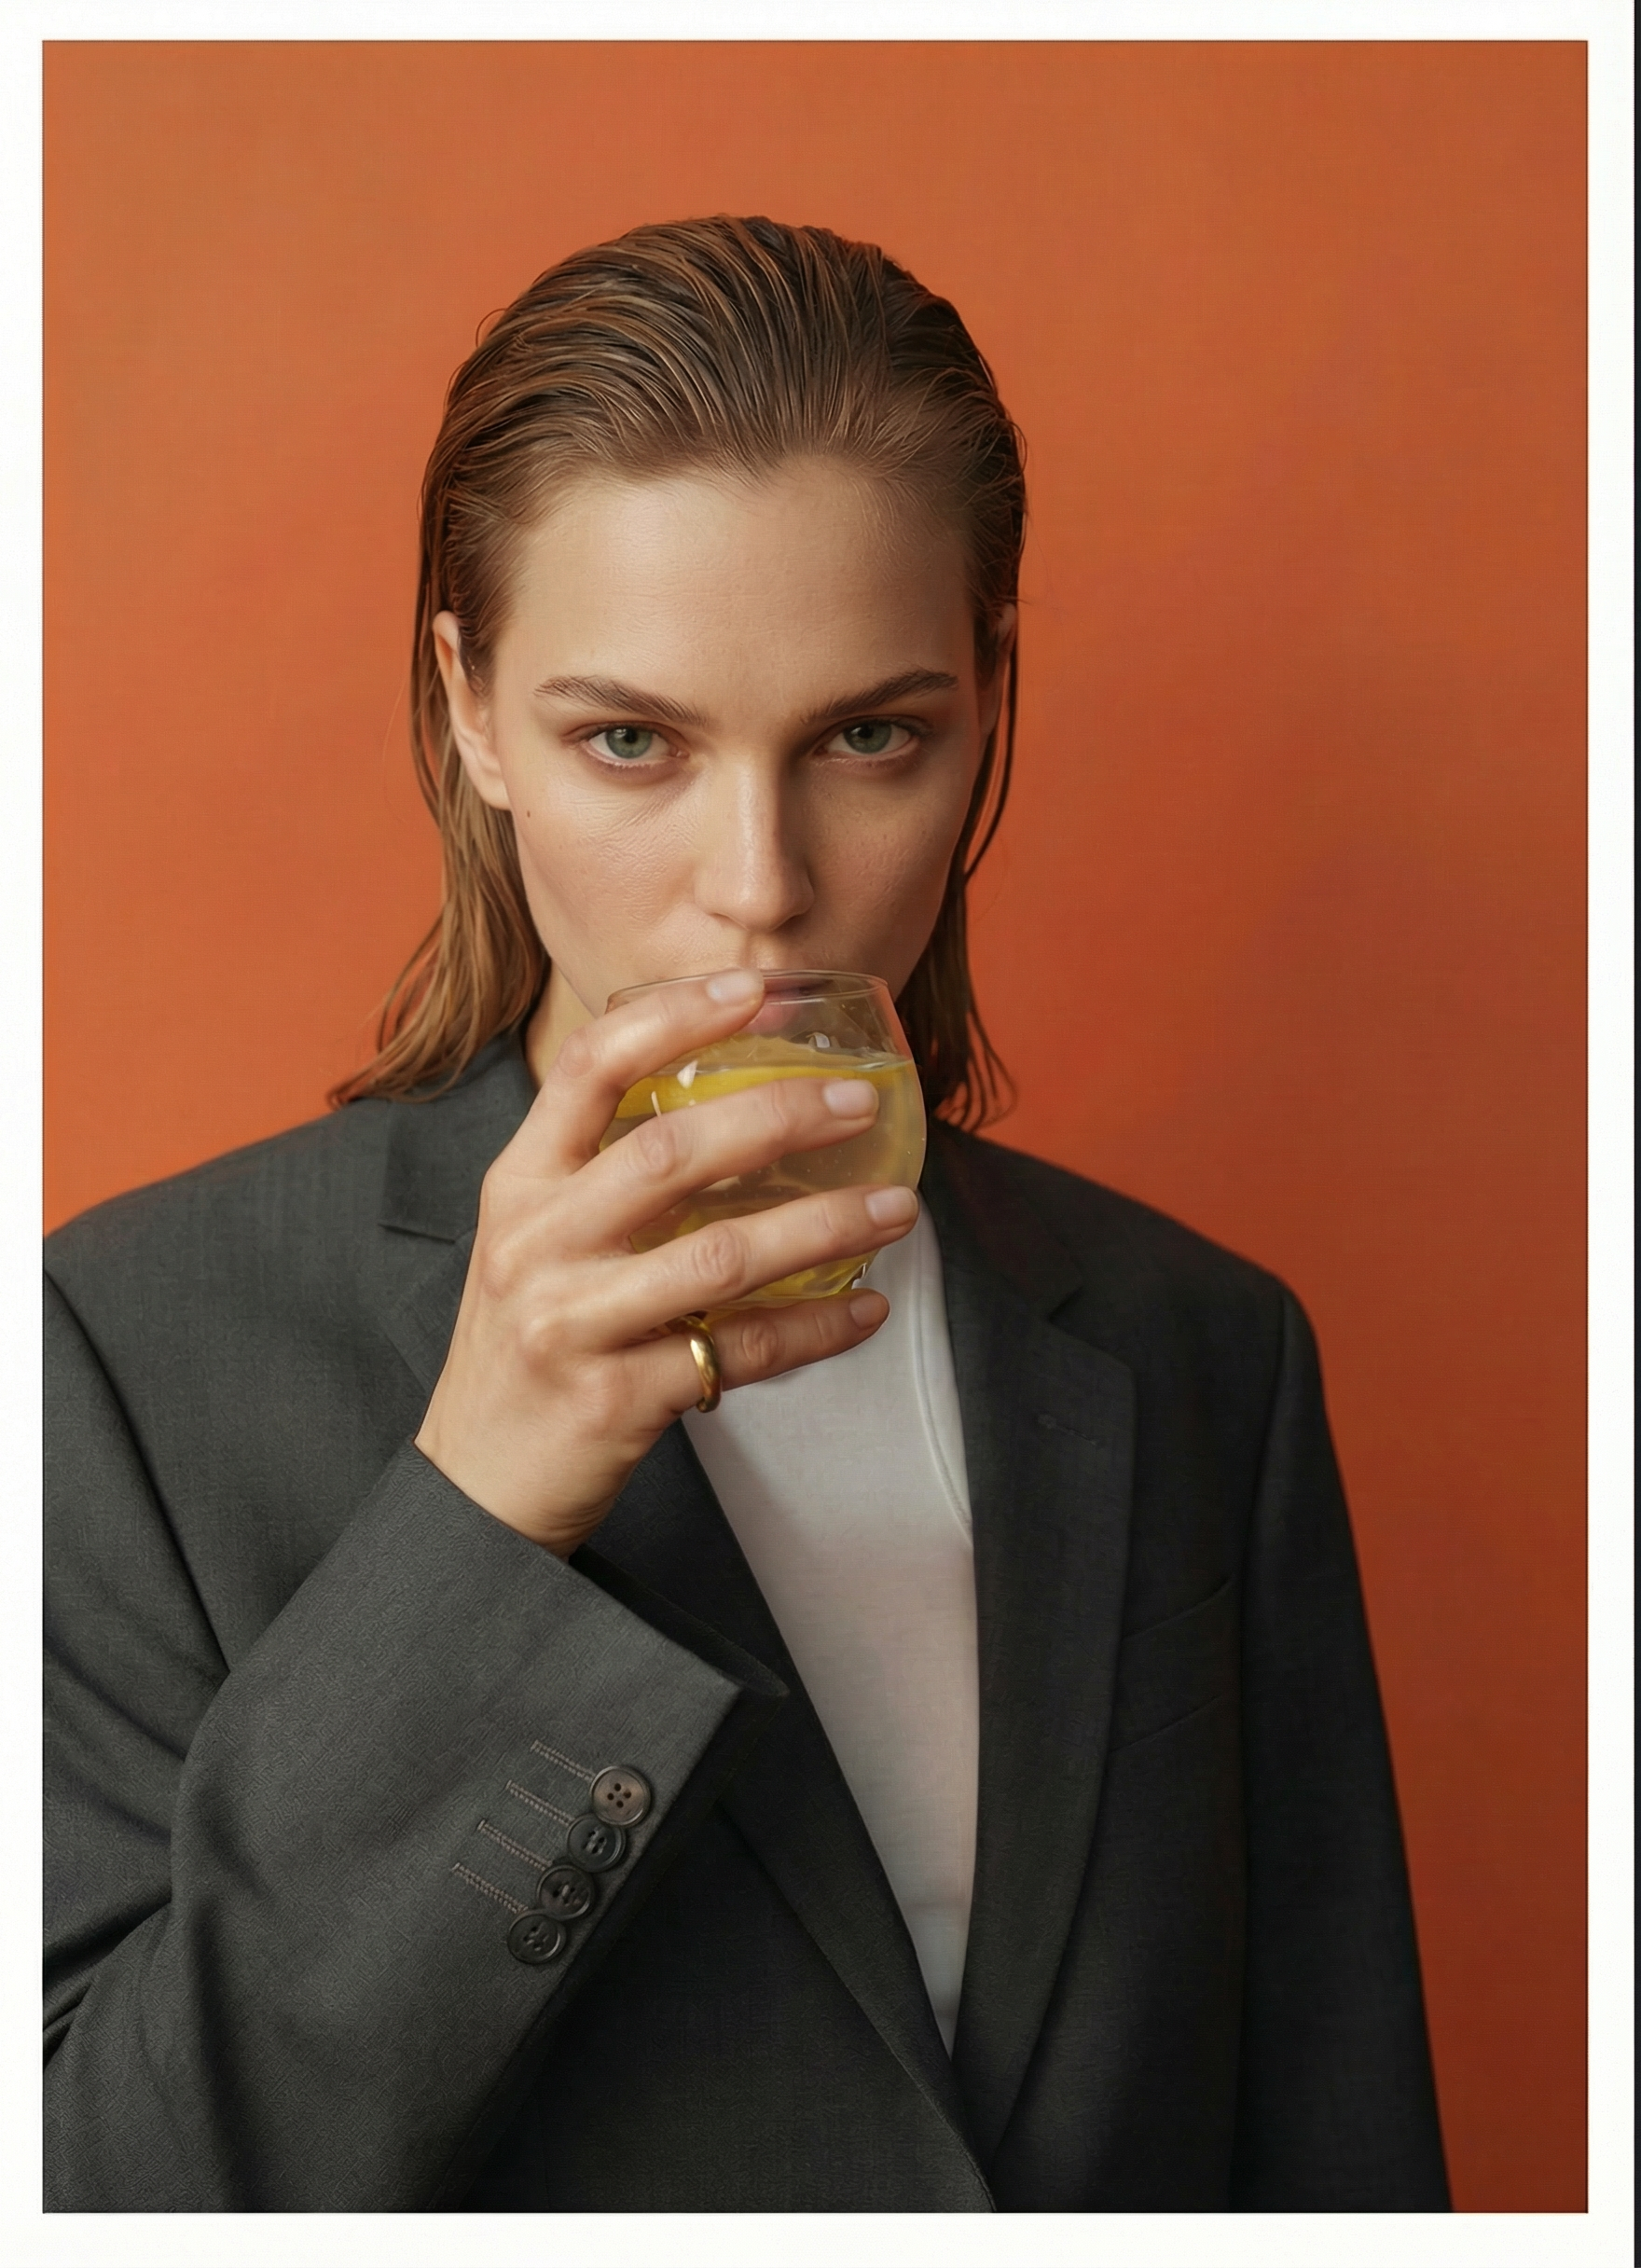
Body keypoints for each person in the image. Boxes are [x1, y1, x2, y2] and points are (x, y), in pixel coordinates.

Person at [43, 214, 1449, 2212]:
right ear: (469, 708)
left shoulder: (1200, 1348)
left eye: (871, 736)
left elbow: (1340, 2168)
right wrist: (474, 1518)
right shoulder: (122, 1354)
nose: (761, 884)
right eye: (630, 740)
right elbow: (112, 2193)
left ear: (987, 698)